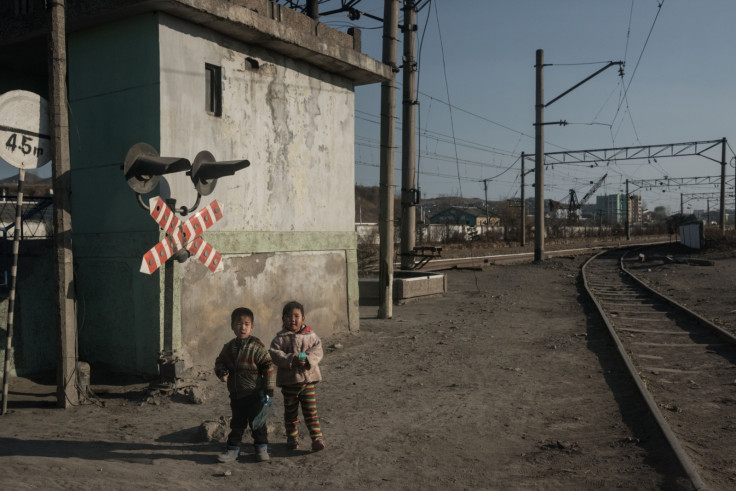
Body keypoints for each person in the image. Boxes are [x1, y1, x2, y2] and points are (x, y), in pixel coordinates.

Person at [215, 307, 275, 463]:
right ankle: (233, 451)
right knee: (237, 424)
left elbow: (268, 366)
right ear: (232, 326)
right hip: (237, 395)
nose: (242, 327)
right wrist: (221, 371)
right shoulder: (229, 347)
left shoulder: (257, 346)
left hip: (255, 394)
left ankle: (261, 449)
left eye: (246, 324)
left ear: (251, 327)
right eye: (238, 323)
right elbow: (220, 361)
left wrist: (269, 389)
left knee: (258, 424)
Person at [269, 301, 325, 452]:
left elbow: (318, 349)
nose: (292, 319)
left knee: (311, 412)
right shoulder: (280, 339)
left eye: (296, 316)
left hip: (308, 382)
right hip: (289, 383)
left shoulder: (310, 335)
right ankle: (292, 438)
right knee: (291, 413)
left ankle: (317, 438)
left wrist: (307, 359)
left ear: (303, 318)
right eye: (288, 316)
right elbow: (275, 354)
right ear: (283, 319)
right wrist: (291, 359)